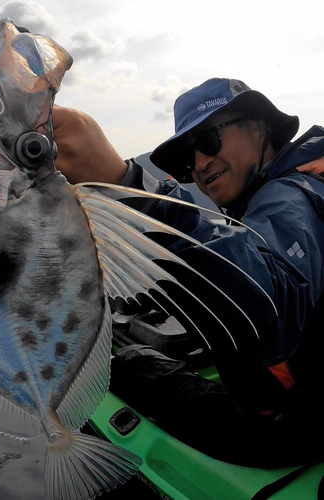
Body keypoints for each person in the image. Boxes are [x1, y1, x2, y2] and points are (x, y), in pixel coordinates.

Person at [52, 78, 324, 468]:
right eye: (187, 156)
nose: (199, 164)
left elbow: (272, 305)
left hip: (292, 426)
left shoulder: (287, 198)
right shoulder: (309, 181)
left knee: (128, 363)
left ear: (261, 127)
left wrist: (128, 185)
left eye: (209, 140)